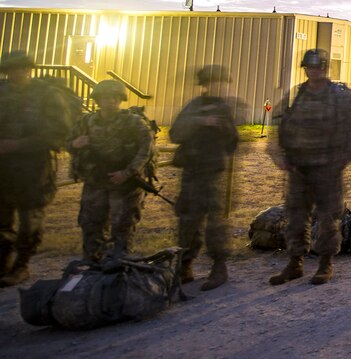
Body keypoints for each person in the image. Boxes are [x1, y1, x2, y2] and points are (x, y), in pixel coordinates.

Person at [268, 49, 351, 286]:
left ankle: (325, 264)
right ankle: (295, 263)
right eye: (309, 68)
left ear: (325, 68)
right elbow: (279, 124)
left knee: (328, 217)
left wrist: (341, 161)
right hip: (298, 168)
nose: (313, 72)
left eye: (317, 67)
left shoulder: (340, 96)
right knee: (295, 216)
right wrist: (279, 154)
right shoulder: (297, 94)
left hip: (327, 170)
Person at [0, 51, 75, 286]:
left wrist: (19, 144)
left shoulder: (47, 95)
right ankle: (2, 263)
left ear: (29, 69)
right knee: (1, 219)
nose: (18, 73)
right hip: (3, 167)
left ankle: (22, 264)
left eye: (22, 68)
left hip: (33, 168)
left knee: (29, 218)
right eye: (13, 69)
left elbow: (60, 132)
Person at [169, 65, 239, 291]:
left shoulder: (224, 109)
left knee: (215, 223)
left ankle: (219, 267)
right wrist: (199, 122)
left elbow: (233, 143)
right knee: (188, 219)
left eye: (222, 83)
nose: (219, 87)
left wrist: (222, 127)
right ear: (206, 85)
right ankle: (185, 265)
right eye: (215, 83)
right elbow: (175, 134)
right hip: (191, 171)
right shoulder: (193, 108)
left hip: (214, 173)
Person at [69, 79, 154, 262]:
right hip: (95, 181)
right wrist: (74, 144)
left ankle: (119, 264)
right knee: (91, 223)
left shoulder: (133, 122)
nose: (111, 101)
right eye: (106, 97)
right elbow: (68, 142)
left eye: (116, 97)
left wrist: (127, 172)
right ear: (98, 99)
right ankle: (92, 262)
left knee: (122, 225)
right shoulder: (86, 121)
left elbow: (146, 149)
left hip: (124, 182)